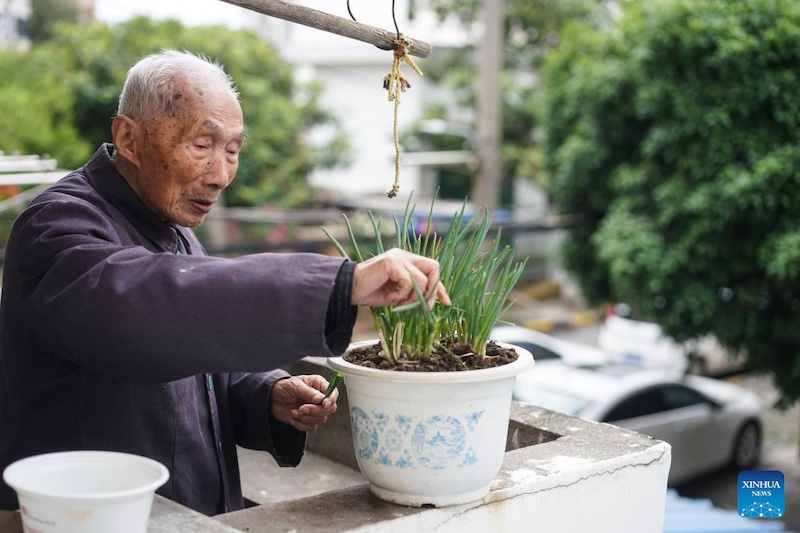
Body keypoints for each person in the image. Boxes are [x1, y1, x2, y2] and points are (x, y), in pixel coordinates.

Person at [0, 50, 450, 516]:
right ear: (129, 138)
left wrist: (267, 396)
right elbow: (150, 311)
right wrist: (343, 283)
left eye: (232, 151)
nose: (220, 176)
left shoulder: (176, 234)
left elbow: (197, 367)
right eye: (201, 145)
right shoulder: (55, 227)